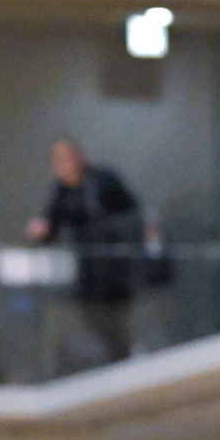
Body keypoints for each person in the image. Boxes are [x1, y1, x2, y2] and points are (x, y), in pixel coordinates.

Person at [26, 137, 145, 365]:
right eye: (59, 160)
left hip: (116, 264)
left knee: (119, 316)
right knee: (92, 317)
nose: (66, 164)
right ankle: (118, 357)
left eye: (69, 158)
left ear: (79, 157)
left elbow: (131, 213)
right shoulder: (61, 191)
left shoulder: (104, 180)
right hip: (88, 269)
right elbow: (52, 224)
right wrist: (42, 230)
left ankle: (127, 357)